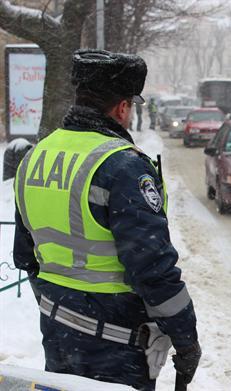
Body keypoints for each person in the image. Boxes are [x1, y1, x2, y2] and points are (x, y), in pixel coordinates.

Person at [13, 49, 201, 391]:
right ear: (122, 107)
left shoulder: (36, 156)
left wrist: (61, 306)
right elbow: (151, 266)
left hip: (58, 333)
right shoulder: (123, 166)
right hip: (117, 345)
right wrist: (186, 338)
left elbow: (25, 256)